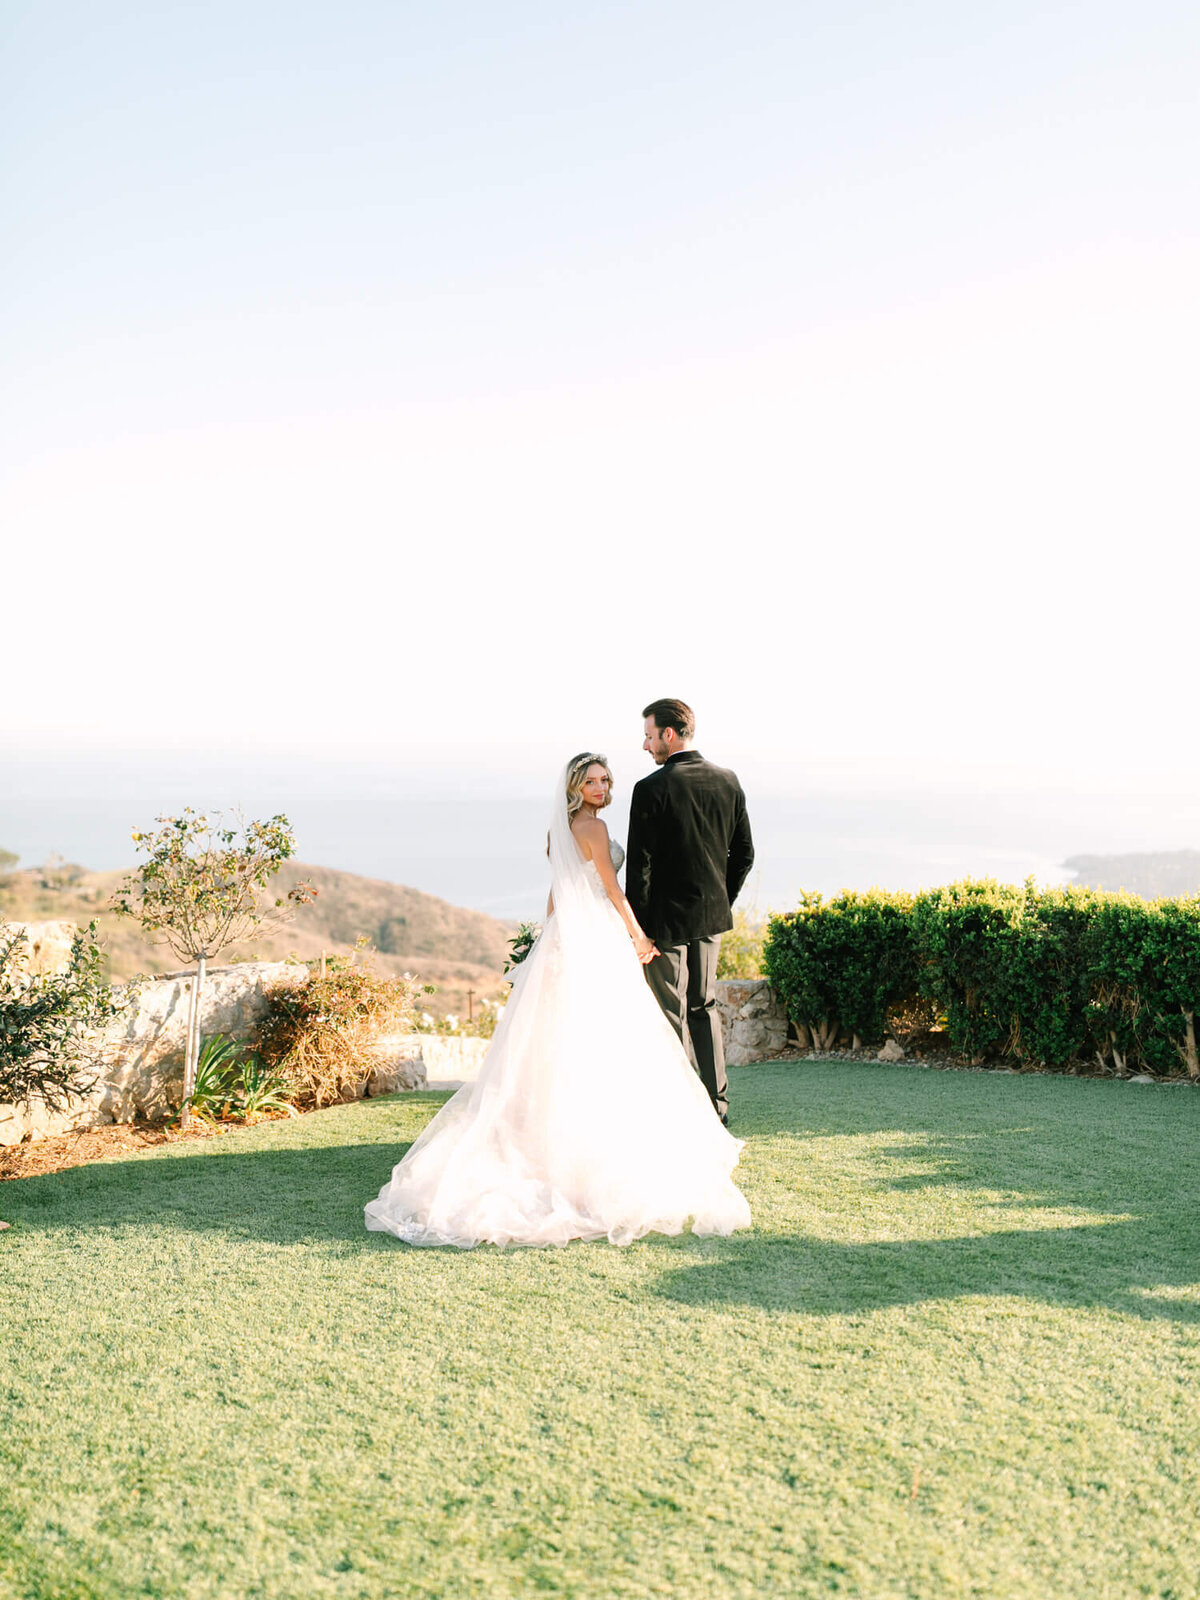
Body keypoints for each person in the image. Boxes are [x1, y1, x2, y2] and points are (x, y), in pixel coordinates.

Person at [364, 752, 751, 1249]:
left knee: (558, 1040)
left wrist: (548, 935)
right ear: (575, 785)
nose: (600, 785)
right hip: (596, 934)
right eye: (591, 780)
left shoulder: (561, 829)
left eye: (604, 779)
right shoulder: (593, 827)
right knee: (603, 1036)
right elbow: (611, 889)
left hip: (570, 932)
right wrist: (637, 936)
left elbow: (557, 889)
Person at [625, 699, 755, 1126]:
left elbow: (640, 869)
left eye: (648, 735)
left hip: (664, 922)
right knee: (704, 1006)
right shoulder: (728, 780)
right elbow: (744, 856)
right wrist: (721, 899)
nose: (645, 745)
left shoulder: (650, 789)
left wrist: (638, 930)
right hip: (710, 918)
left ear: (669, 733)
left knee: (669, 1012)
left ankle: (680, 1109)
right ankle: (716, 1107)